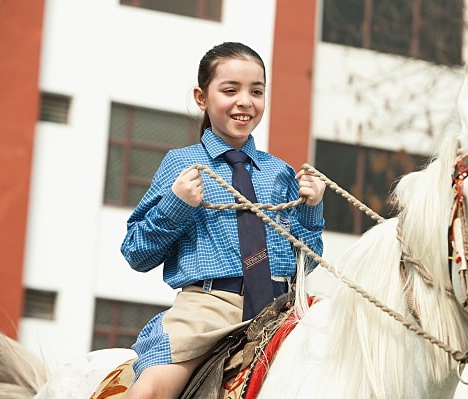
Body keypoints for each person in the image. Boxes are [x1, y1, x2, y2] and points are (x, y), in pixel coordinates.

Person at [120, 41, 325, 399]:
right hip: (208, 309)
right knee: (149, 393)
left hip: (283, 308)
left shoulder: (280, 173)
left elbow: (307, 262)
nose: (245, 101)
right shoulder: (180, 164)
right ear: (201, 97)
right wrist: (177, 204)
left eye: (256, 91)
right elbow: (137, 253)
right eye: (230, 90)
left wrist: (311, 208)